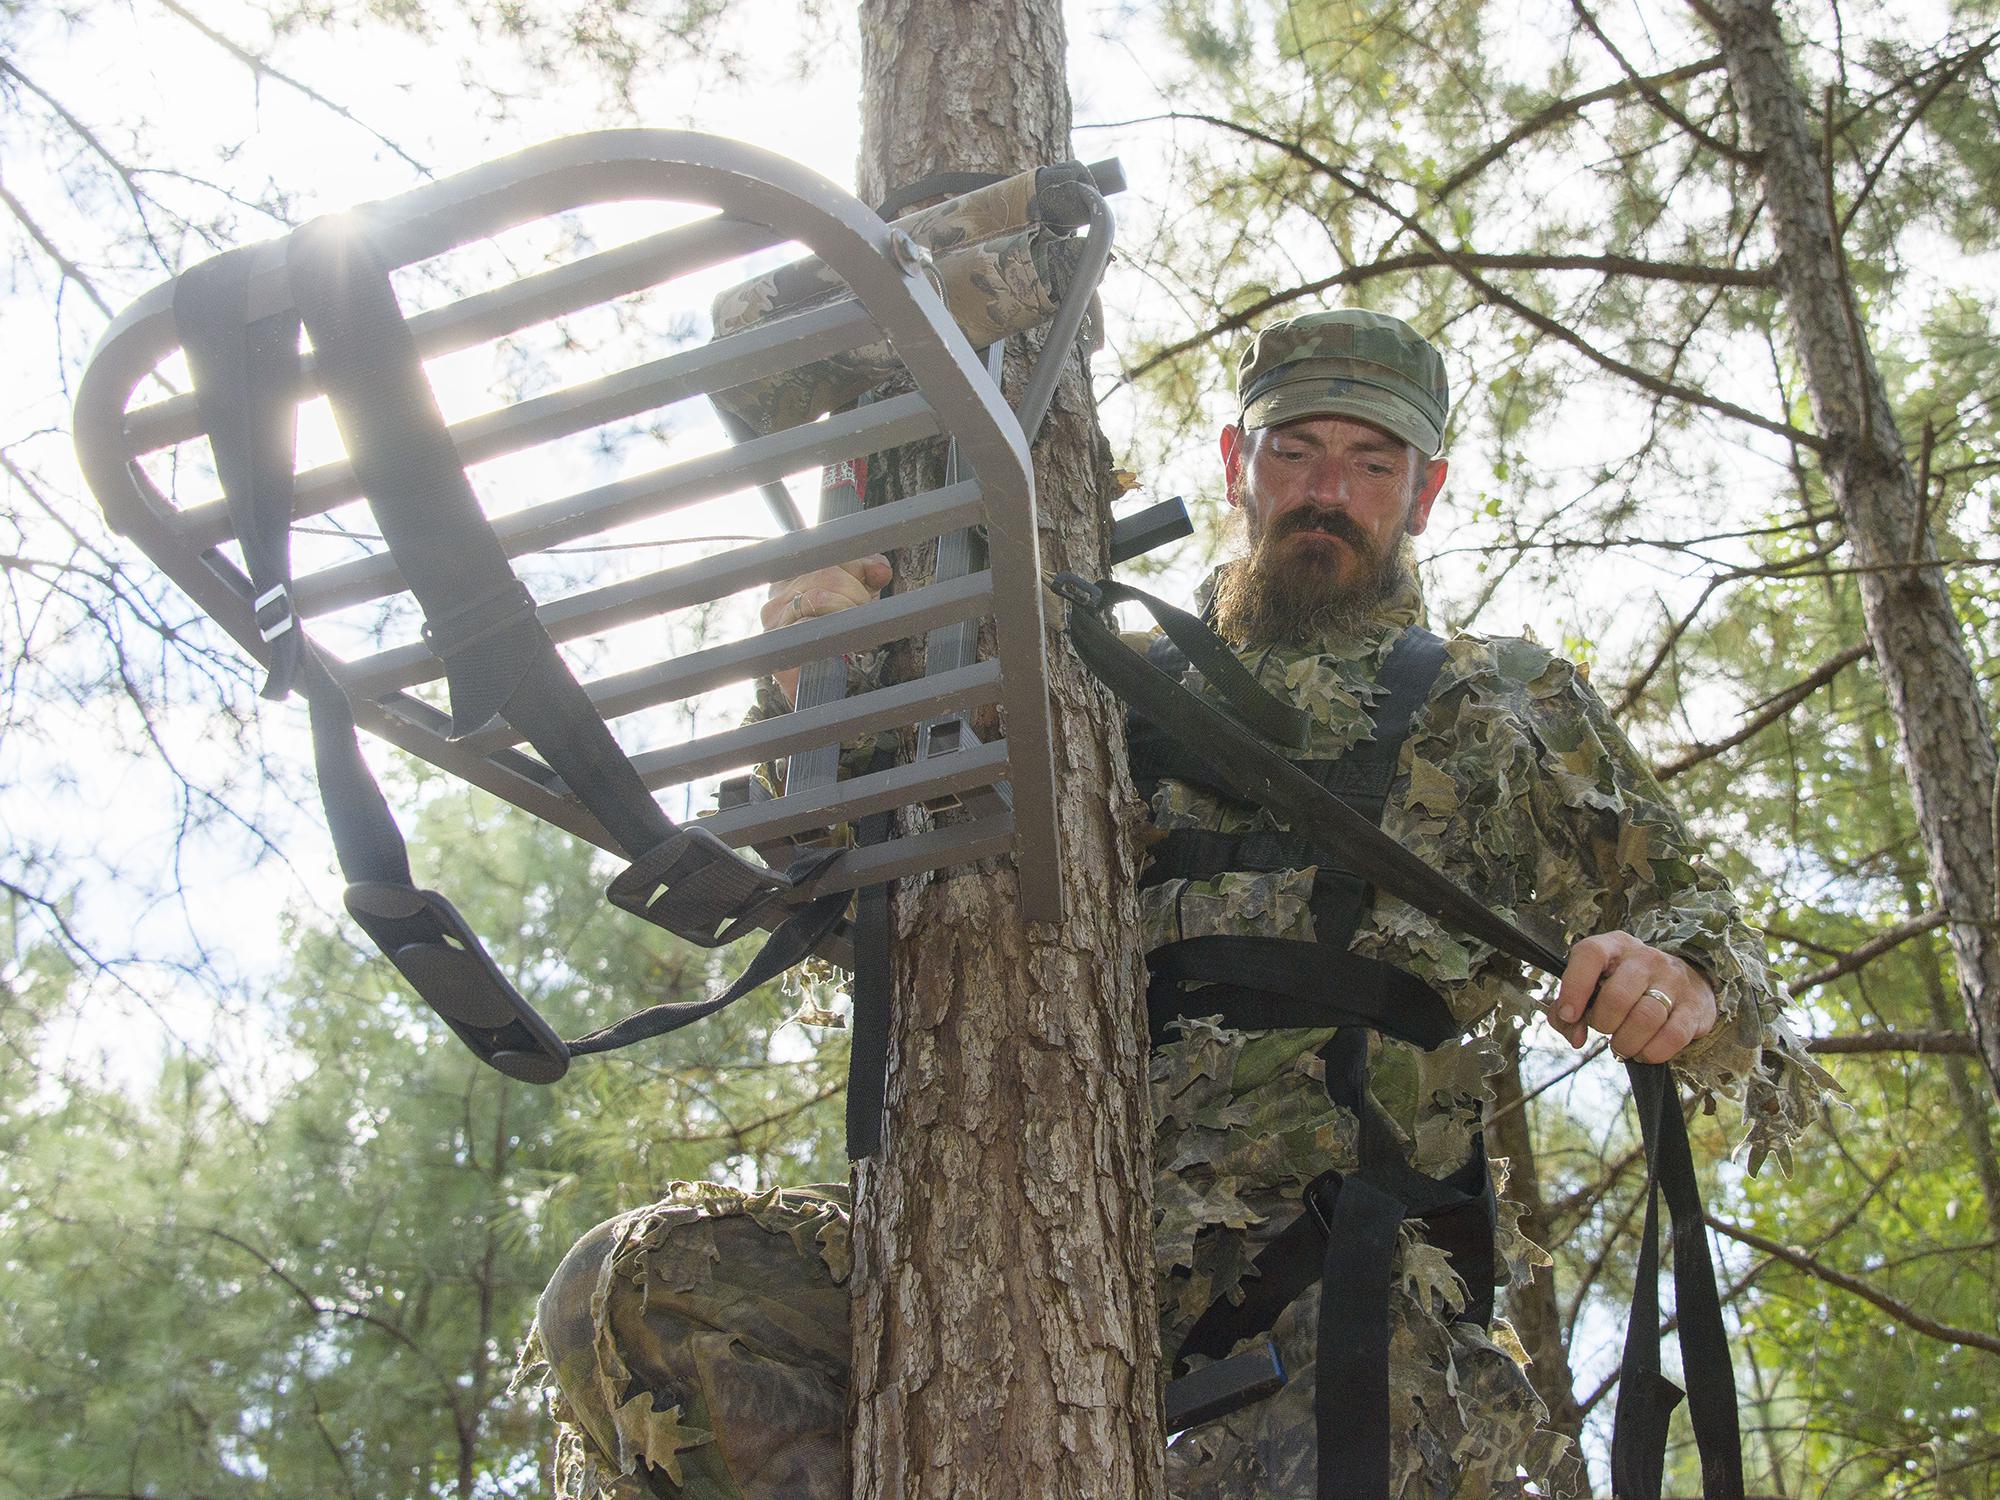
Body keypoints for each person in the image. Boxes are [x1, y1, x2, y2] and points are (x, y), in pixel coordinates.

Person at [522, 309, 1827, 1499]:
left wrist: (1685, 979)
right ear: (1233, 463)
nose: (1328, 492)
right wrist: (814, 688)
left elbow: (1713, 946)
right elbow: (878, 916)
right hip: (1019, 1237)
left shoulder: (1509, 701)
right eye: (1296, 451)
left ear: (1427, 491)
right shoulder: (1088, 678)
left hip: (1332, 1291)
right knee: (637, 1287)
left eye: (1374, 463)